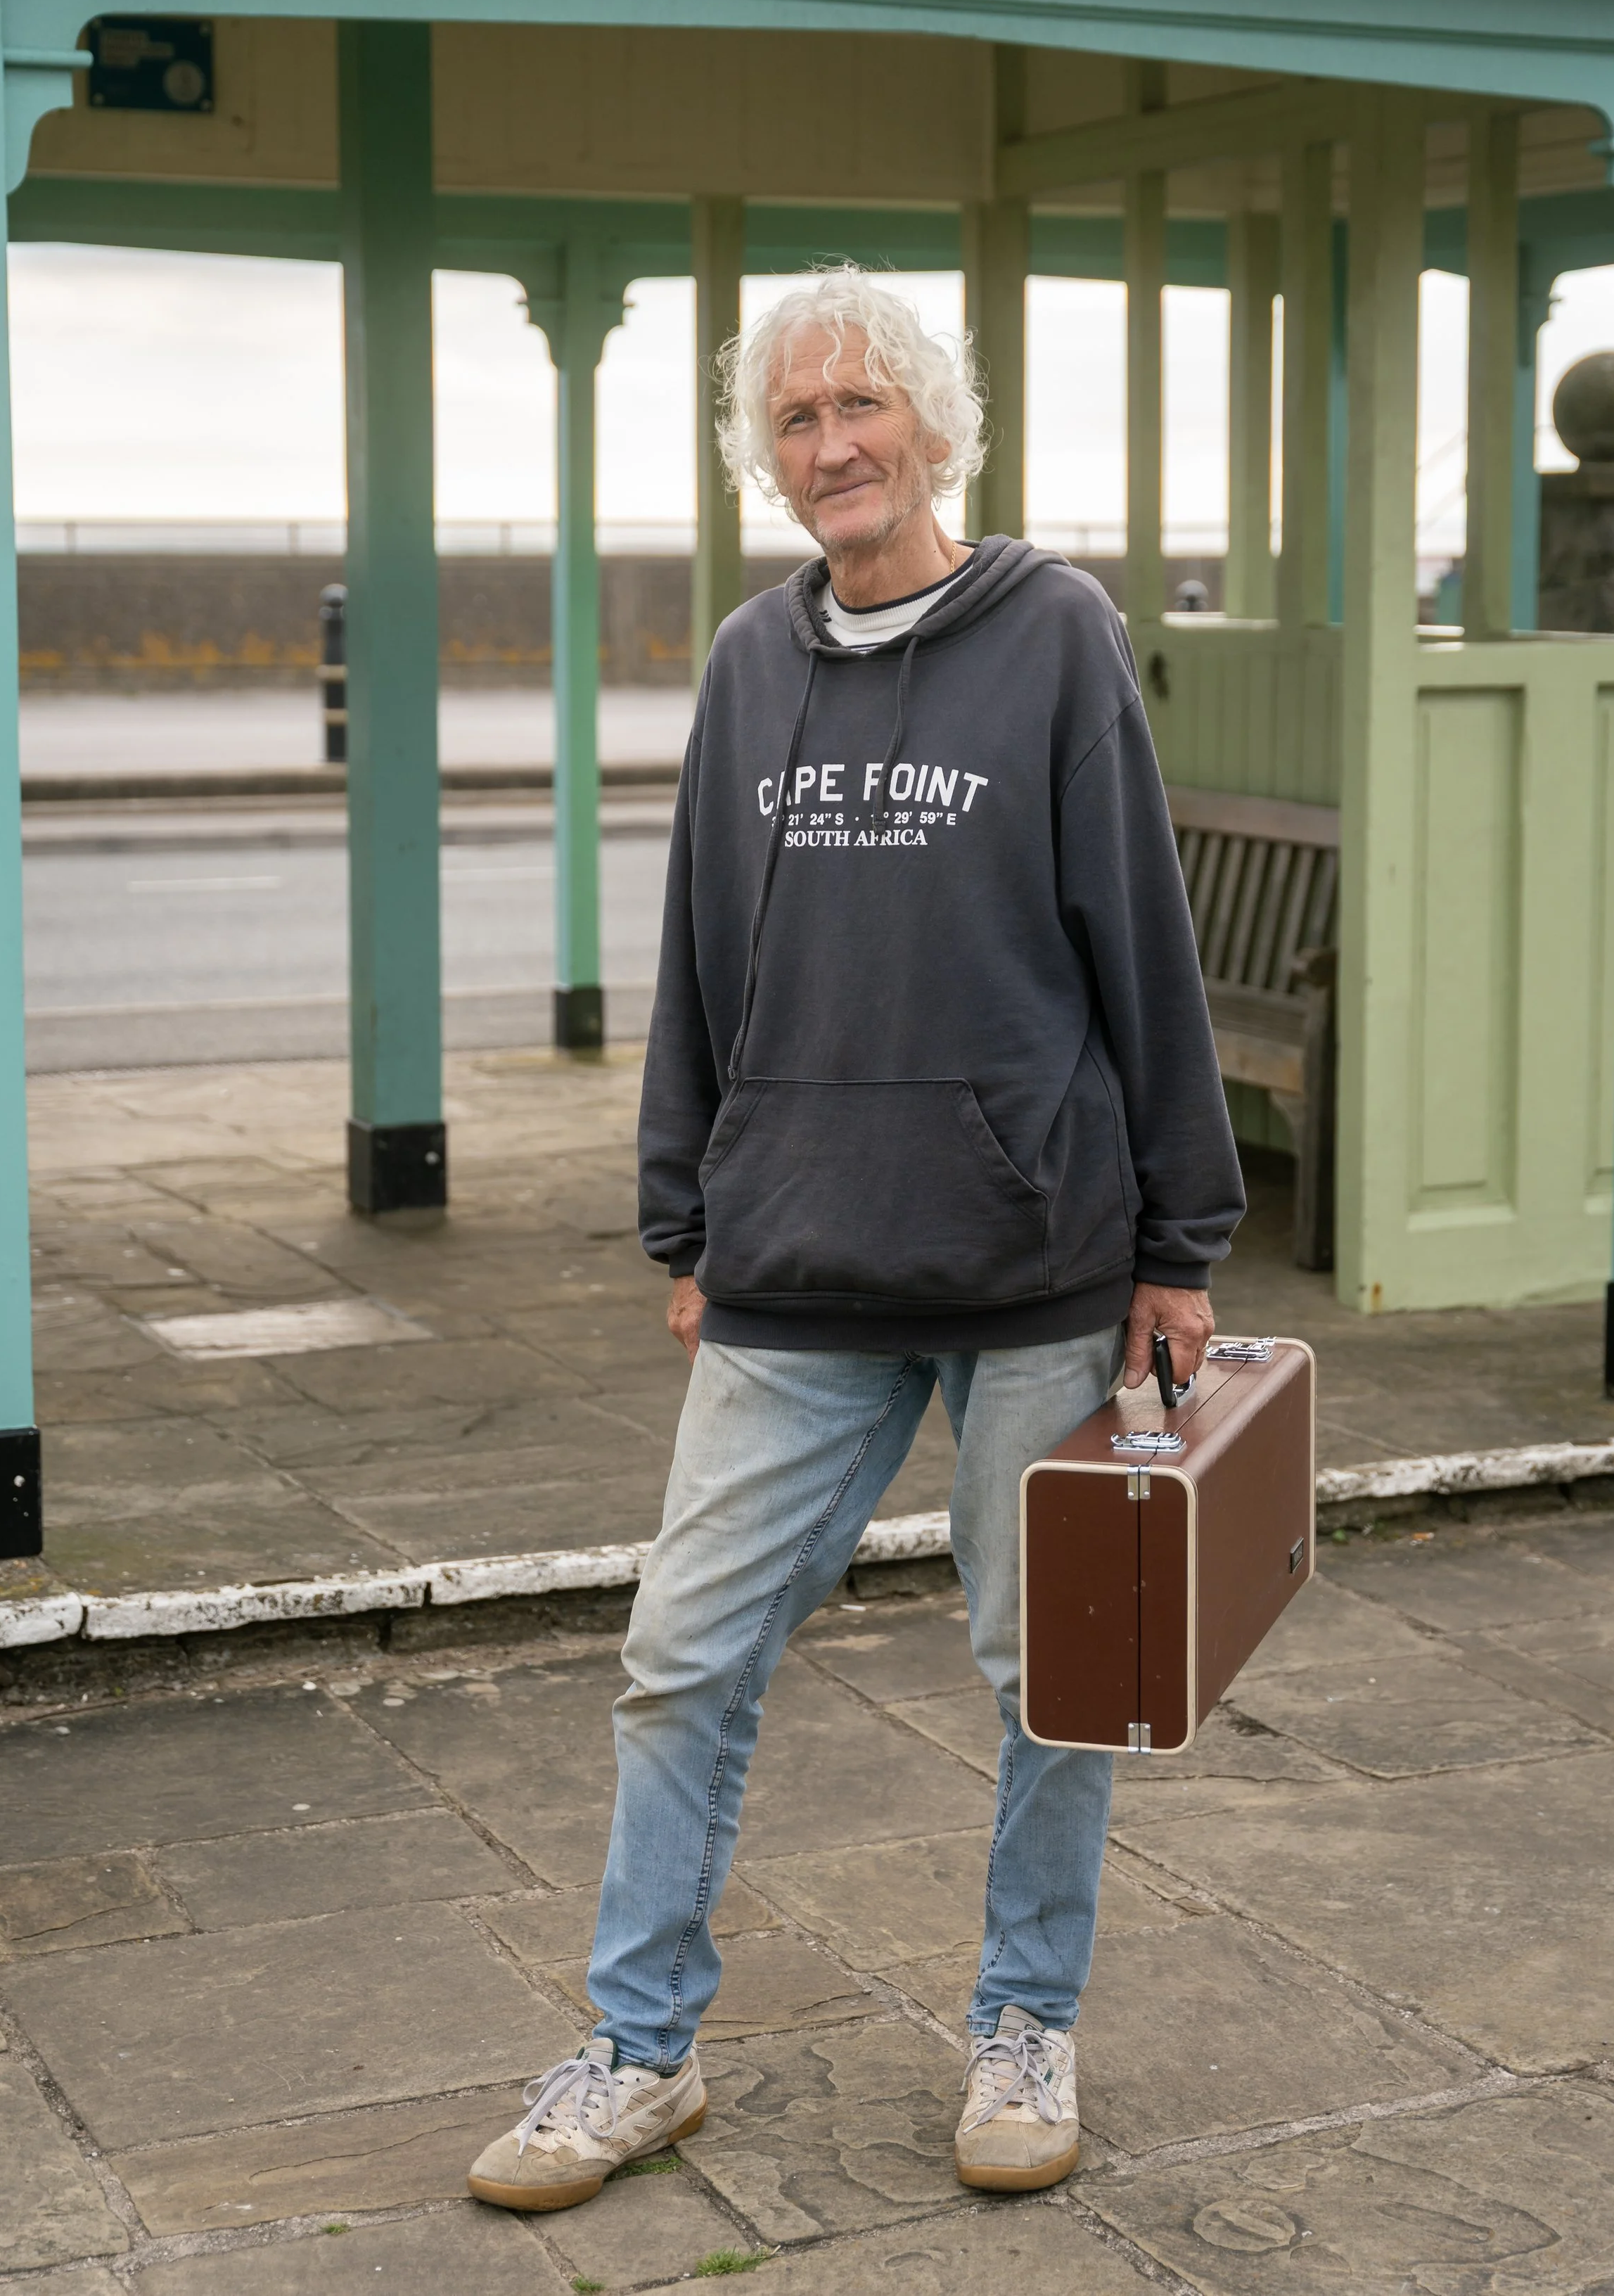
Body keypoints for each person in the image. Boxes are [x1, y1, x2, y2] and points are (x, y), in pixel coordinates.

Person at [467, 265, 1243, 2214]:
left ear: (933, 424)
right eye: (794, 422)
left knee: (1047, 1665)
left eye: (858, 409)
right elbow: (700, 956)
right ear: (771, 460)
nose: (830, 446)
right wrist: (685, 1212)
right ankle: (639, 2051)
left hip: (1033, 1262)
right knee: (680, 1654)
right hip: (795, 1260)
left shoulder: (1053, 635)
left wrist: (1178, 1232)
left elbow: (1138, 939)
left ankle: (1023, 2020)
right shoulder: (750, 661)